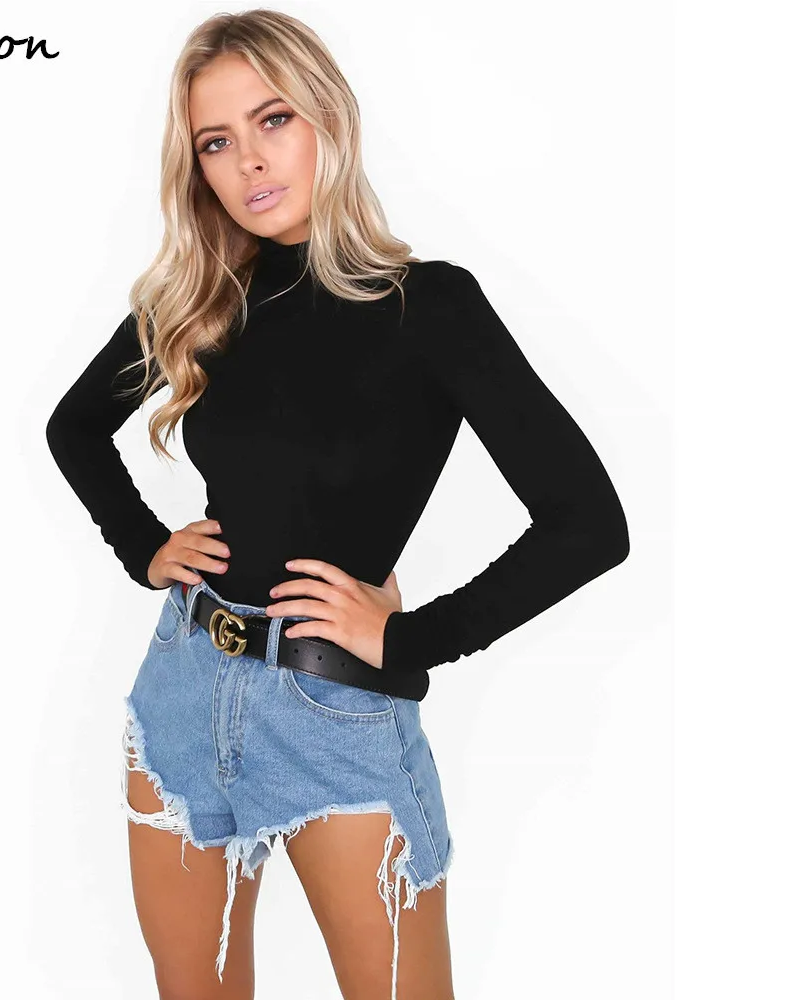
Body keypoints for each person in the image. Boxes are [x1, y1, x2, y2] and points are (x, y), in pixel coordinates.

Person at [45, 9, 630, 1000]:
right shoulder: (200, 297)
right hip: (185, 681)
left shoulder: (430, 305)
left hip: (336, 710)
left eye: (272, 119)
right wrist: (144, 546)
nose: (248, 160)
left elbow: (589, 523)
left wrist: (410, 640)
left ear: (328, 117)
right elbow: (73, 428)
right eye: (215, 141)